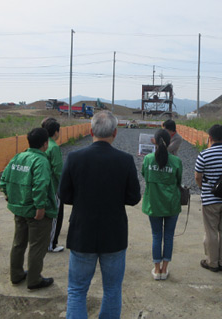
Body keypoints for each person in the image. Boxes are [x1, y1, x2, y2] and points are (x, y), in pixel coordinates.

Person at [59, 111, 141, 318]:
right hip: (114, 234)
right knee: (112, 290)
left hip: (82, 232)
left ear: (90, 131)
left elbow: (64, 195)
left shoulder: (74, 157)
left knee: (77, 290)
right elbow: (133, 198)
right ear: (115, 132)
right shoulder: (125, 160)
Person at [0, 128, 57, 290]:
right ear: (45, 143)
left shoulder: (19, 157)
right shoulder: (41, 161)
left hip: (19, 209)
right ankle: (34, 279)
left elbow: (4, 179)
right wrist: (40, 207)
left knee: (19, 243)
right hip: (35, 212)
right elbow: (40, 185)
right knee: (37, 246)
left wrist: (8, 196)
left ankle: (16, 275)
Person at [195, 124, 222, 272]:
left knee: (211, 231)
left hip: (210, 200)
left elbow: (198, 176)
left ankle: (212, 262)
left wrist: (204, 188)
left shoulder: (204, 155)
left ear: (210, 137)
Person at [142, 129, 183, 280]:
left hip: (154, 203)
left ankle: (156, 269)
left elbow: (144, 175)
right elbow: (179, 181)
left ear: (155, 140)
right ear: (169, 141)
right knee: (169, 236)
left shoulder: (148, 159)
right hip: (171, 204)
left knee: (156, 236)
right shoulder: (176, 161)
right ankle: (165, 269)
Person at [41, 118, 65, 253]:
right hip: (53, 187)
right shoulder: (54, 147)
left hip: (42, 185)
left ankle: (45, 241)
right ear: (56, 132)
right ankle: (52, 244)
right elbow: (58, 170)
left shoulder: (42, 144)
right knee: (56, 215)